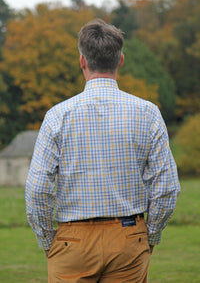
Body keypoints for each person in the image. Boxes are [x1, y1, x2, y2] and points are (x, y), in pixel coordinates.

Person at [25, 19, 180, 283]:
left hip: (72, 242)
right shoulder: (148, 113)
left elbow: (38, 188)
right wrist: (150, 235)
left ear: (82, 61)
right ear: (120, 60)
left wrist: (47, 240)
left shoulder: (57, 116)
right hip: (129, 237)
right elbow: (166, 187)